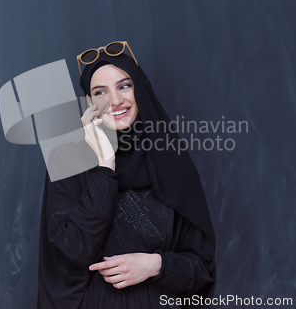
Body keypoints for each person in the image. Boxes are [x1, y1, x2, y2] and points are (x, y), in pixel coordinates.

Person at [37, 42, 216, 308]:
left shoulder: (171, 159)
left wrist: (157, 265)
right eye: (101, 92)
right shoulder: (66, 160)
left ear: (140, 89)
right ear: (89, 103)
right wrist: (104, 167)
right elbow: (74, 252)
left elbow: (203, 267)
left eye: (124, 86)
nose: (116, 100)